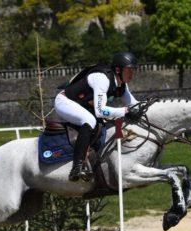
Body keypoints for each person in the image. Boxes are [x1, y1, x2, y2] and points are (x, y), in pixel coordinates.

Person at [54, 51, 141, 182]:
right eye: (129, 70)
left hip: (84, 105)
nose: (132, 73)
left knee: (99, 124)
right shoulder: (102, 79)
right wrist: (125, 111)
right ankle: (76, 167)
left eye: (133, 70)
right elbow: (100, 111)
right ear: (118, 70)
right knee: (90, 121)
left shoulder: (122, 85)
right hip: (65, 101)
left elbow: (134, 104)